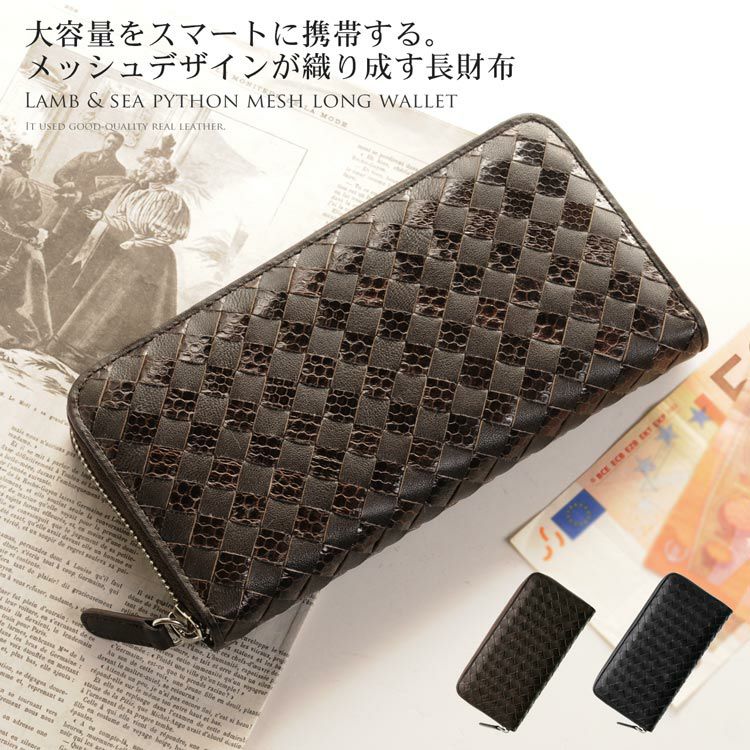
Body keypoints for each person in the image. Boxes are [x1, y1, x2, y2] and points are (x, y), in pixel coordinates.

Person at [46, 156, 190, 371]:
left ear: (160, 173)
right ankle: (77, 352)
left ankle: (112, 359)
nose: (143, 170)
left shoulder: (172, 201)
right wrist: (101, 216)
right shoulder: (138, 195)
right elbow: (122, 222)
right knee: (103, 300)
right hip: (130, 253)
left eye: (148, 168)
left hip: (154, 261)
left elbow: (167, 235)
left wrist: (137, 242)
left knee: (132, 309)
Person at [43, 131, 127, 275]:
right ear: (104, 140)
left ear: (118, 148)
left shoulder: (119, 170)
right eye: (109, 141)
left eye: (115, 145)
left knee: (60, 249)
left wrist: (89, 199)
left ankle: (41, 278)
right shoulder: (85, 156)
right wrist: (67, 183)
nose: (110, 146)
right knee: (44, 240)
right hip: (64, 207)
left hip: (82, 217)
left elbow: (110, 196)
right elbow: (60, 174)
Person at [0, 143, 50, 349]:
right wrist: (35, 233)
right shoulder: (21, 182)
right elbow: (16, 219)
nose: (33, 163)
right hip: (5, 239)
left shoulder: (2, 171)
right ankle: (26, 335)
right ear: (24, 162)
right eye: (32, 160)